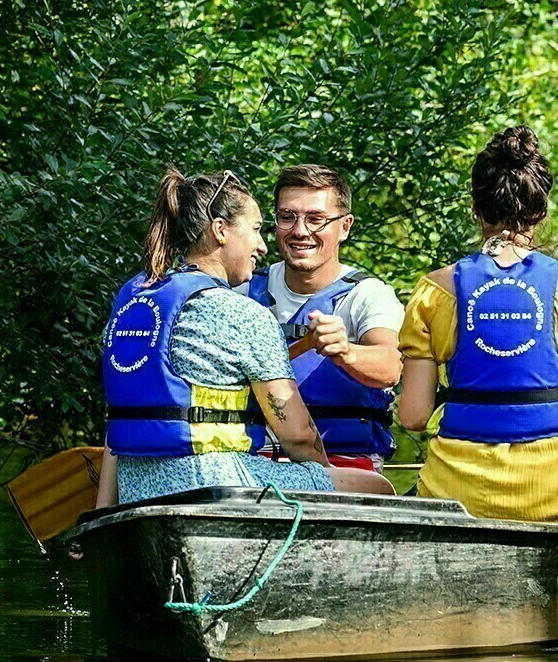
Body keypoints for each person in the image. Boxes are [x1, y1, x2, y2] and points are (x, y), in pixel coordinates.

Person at [96, 167, 389, 509]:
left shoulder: (133, 300)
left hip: (136, 486)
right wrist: (323, 481)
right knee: (375, 487)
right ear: (220, 230)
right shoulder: (241, 312)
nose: (262, 246)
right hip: (214, 486)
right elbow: (299, 437)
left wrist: (102, 512)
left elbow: (120, 423)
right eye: (255, 229)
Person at [397, 127, 558, 524]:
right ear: (541, 212)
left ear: (475, 207)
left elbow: (413, 416)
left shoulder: (434, 291)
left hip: (459, 498)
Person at [247, 164, 403, 476]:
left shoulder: (368, 295)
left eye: (316, 219)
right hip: (254, 462)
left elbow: (390, 366)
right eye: (287, 217)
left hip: (345, 462)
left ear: (344, 227)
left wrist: (346, 352)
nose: (300, 231)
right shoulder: (243, 290)